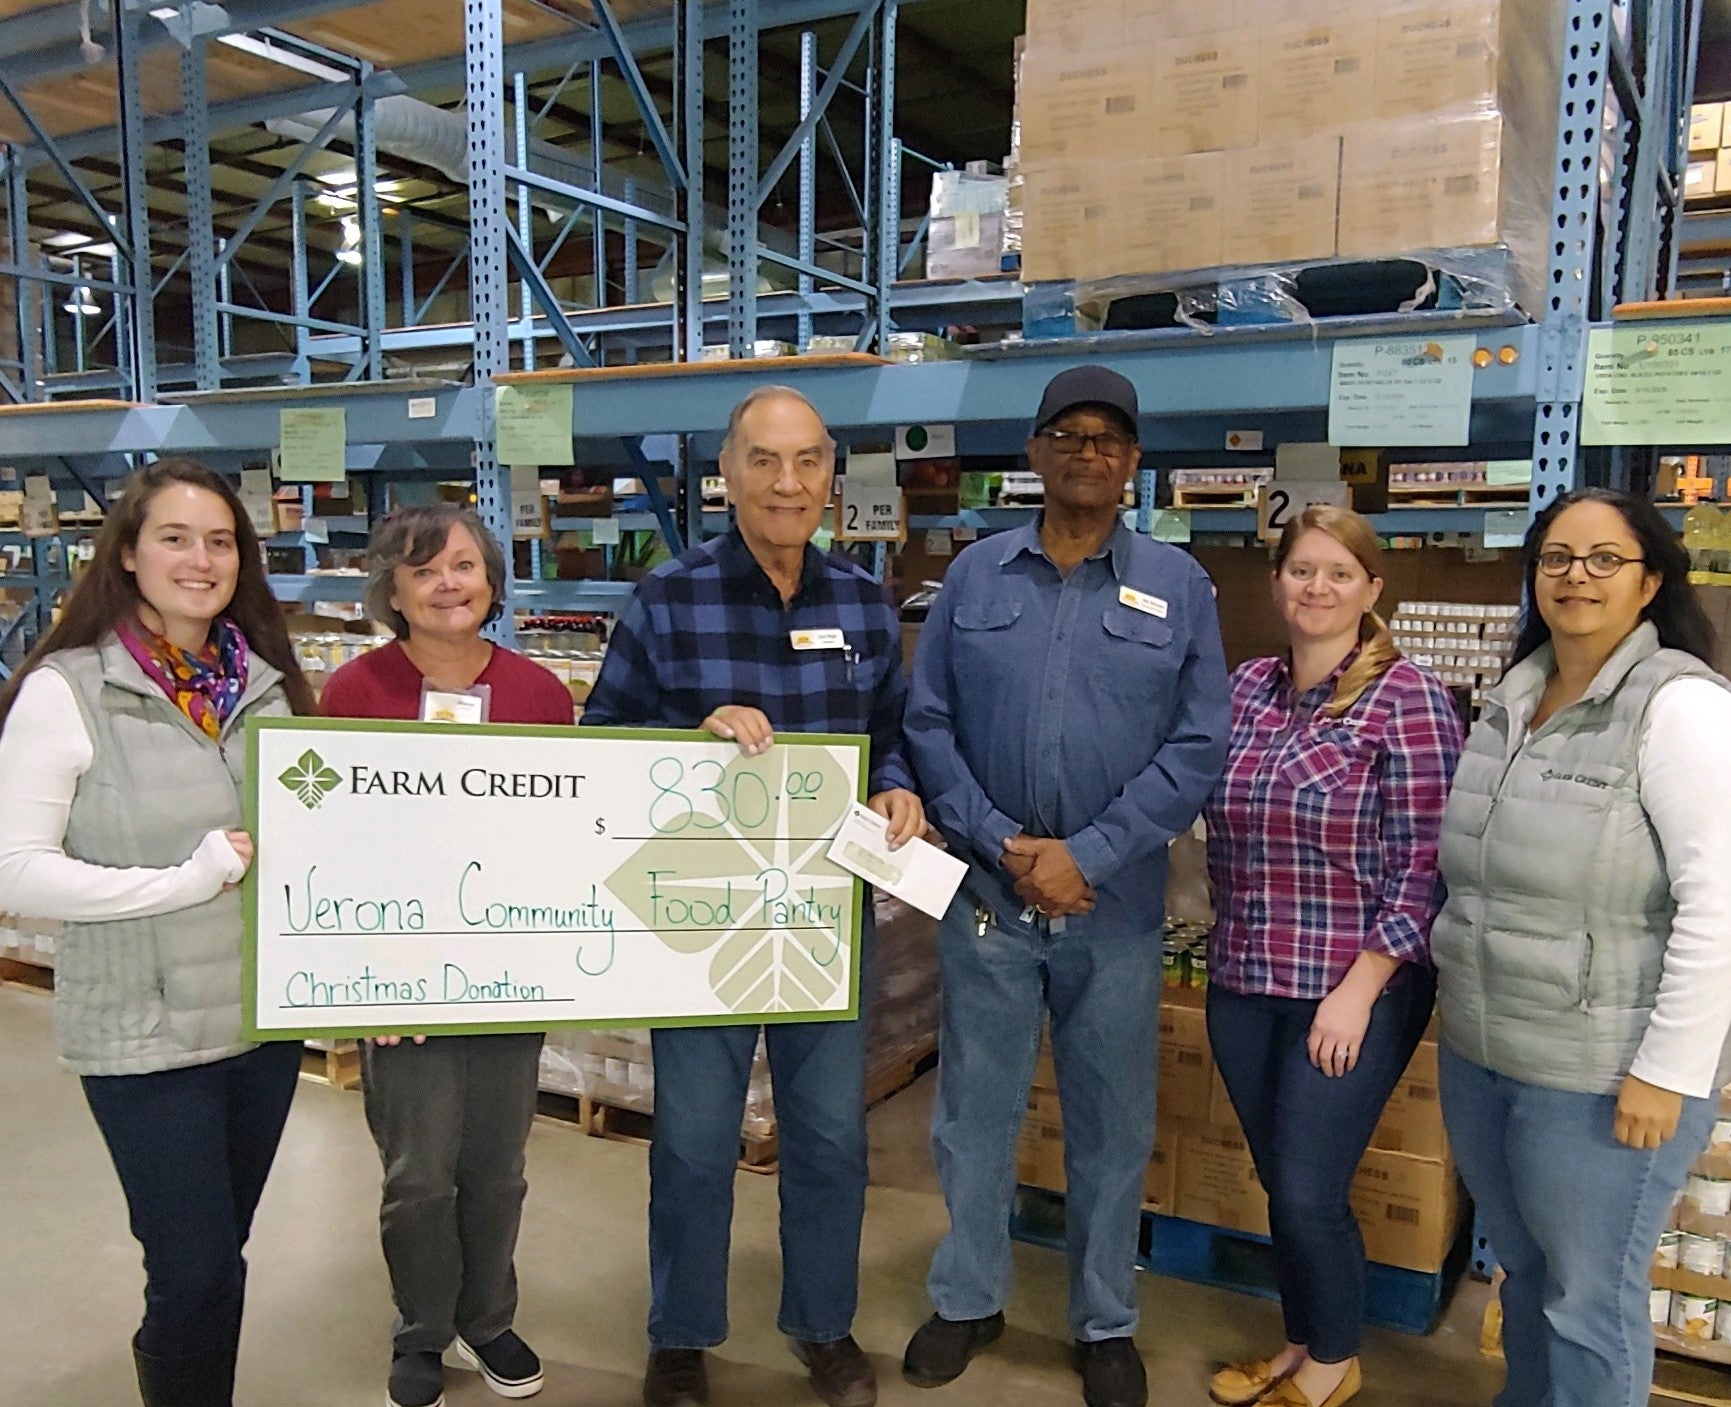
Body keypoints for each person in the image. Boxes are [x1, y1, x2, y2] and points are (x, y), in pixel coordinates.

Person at [581, 384, 923, 1407]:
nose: (788, 483)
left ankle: (823, 1325)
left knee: (828, 1140)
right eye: (766, 462)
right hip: (705, 920)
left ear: (830, 475)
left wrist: (900, 782)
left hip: (824, 921)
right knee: (691, 1143)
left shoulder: (863, 601)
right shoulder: (669, 599)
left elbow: (895, 729)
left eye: (809, 461)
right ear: (727, 474)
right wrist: (688, 740)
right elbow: (601, 742)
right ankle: (681, 1336)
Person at [902, 365, 1230, 1407]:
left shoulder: (1179, 588)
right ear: (1036, 453)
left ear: (1133, 464)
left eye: (1109, 440)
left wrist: (1089, 852)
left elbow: (1198, 743)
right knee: (974, 1116)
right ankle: (968, 1297)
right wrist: (1005, 842)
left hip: (1116, 908)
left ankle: (1104, 1319)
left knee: (1111, 1122)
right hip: (990, 900)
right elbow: (928, 725)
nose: (1089, 454)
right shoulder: (975, 578)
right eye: (1068, 435)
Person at [0, 459, 316, 1407]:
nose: (200, 558)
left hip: (259, 1026)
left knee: (222, 1258)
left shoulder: (264, 684)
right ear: (128, 554)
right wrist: (187, 879)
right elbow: (14, 869)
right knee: (194, 1272)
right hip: (145, 1032)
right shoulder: (71, 688)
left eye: (220, 540)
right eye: (174, 537)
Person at [1431, 488, 1731, 1407]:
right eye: (1556, 557)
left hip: (1600, 1075)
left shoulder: (1676, 706)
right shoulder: (1510, 699)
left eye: (1605, 559)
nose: (1576, 576)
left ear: (1649, 583)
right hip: (1486, 1056)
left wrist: (1666, 1070)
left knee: (1585, 1302)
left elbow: (1718, 901)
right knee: (1525, 1276)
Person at [1202, 507, 1463, 1407]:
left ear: (1371, 590)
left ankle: (1333, 1359)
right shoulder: (1243, 689)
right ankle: (1302, 1338)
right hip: (1244, 974)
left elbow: (1427, 862)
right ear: (1277, 582)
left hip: (1354, 986)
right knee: (1281, 1177)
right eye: (1301, 570)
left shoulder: (1408, 699)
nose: (1317, 588)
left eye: (1338, 574)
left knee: (1310, 1183)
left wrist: (1357, 990)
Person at [321, 503, 574, 1407]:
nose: (447, 583)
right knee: (418, 1167)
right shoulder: (353, 693)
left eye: (464, 565)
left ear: (493, 582)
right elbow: (330, 846)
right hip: (401, 983)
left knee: (497, 1163)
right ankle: (421, 1328)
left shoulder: (542, 696)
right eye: (423, 569)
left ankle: (488, 1317)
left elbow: (566, 832)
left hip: (506, 966)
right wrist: (366, 982)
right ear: (392, 587)